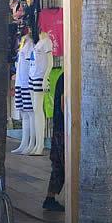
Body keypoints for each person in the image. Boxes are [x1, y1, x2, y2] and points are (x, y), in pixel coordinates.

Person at [43, 72, 65, 212]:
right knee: (65, 165)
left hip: (59, 127)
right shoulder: (67, 77)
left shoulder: (63, 76)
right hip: (64, 129)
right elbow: (64, 104)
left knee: (58, 166)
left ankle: (50, 198)